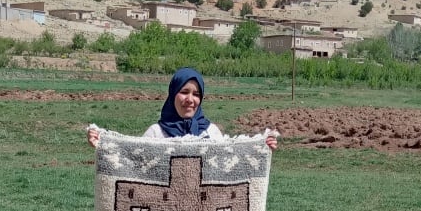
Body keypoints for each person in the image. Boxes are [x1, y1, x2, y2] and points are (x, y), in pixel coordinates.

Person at [87, 66, 278, 149]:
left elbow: (234, 163)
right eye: (184, 92)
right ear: (172, 94)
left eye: (196, 94)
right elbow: (133, 163)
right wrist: (103, 144)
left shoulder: (211, 133)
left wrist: (261, 147)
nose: (190, 99)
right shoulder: (156, 134)